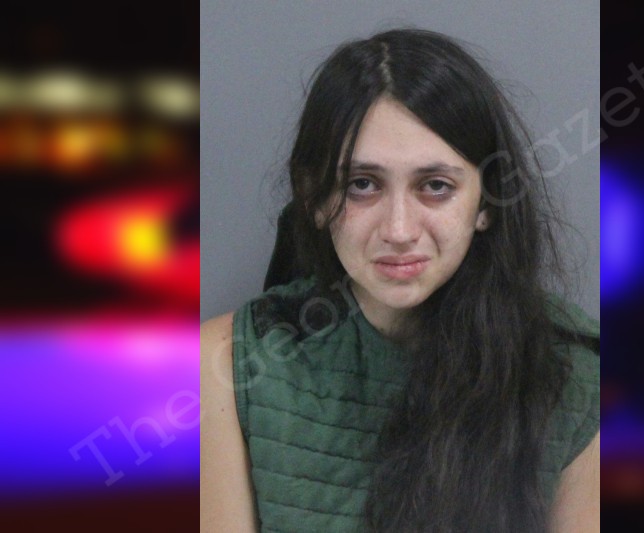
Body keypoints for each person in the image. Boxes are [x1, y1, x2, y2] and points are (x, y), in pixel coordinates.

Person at [201, 28, 599, 532]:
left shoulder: (579, 376)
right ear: (313, 196)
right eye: (362, 184)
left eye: (436, 186)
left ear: (486, 202)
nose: (398, 230)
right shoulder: (224, 365)